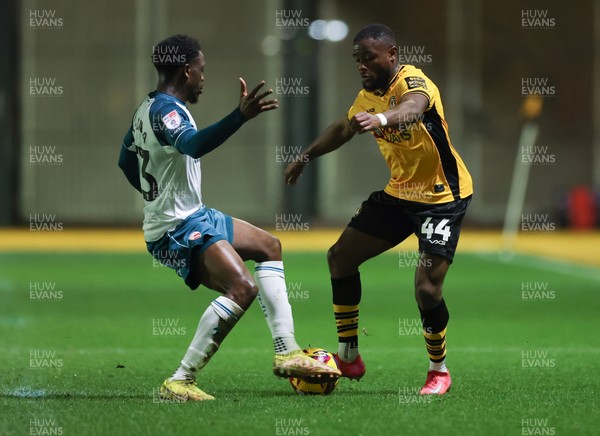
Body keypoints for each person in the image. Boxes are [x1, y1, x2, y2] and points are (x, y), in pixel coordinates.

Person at [118, 34, 340, 402]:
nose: (204, 78)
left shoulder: (146, 108)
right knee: (242, 289)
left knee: (269, 246)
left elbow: (125, 160)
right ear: (187, 70)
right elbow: (192, 145)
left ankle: (287, 351)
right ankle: (180, 381)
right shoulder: (167, 112)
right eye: (202, 71)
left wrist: (153, 194)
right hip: (176, 228)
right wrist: (240, 116)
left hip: (192, 216)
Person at [284, 24, 473, 395]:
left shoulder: (415, 82)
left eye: (368, 57)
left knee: (426, 290)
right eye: (356, 59)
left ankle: (439, 372)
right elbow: (343, 128)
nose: (361, 65)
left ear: (391, 54)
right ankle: (348, 356)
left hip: (441, 198)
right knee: (340, 258)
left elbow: (413, 108)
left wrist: (382, 119)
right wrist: (305, 155)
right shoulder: (366, 96)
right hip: (399, 195)